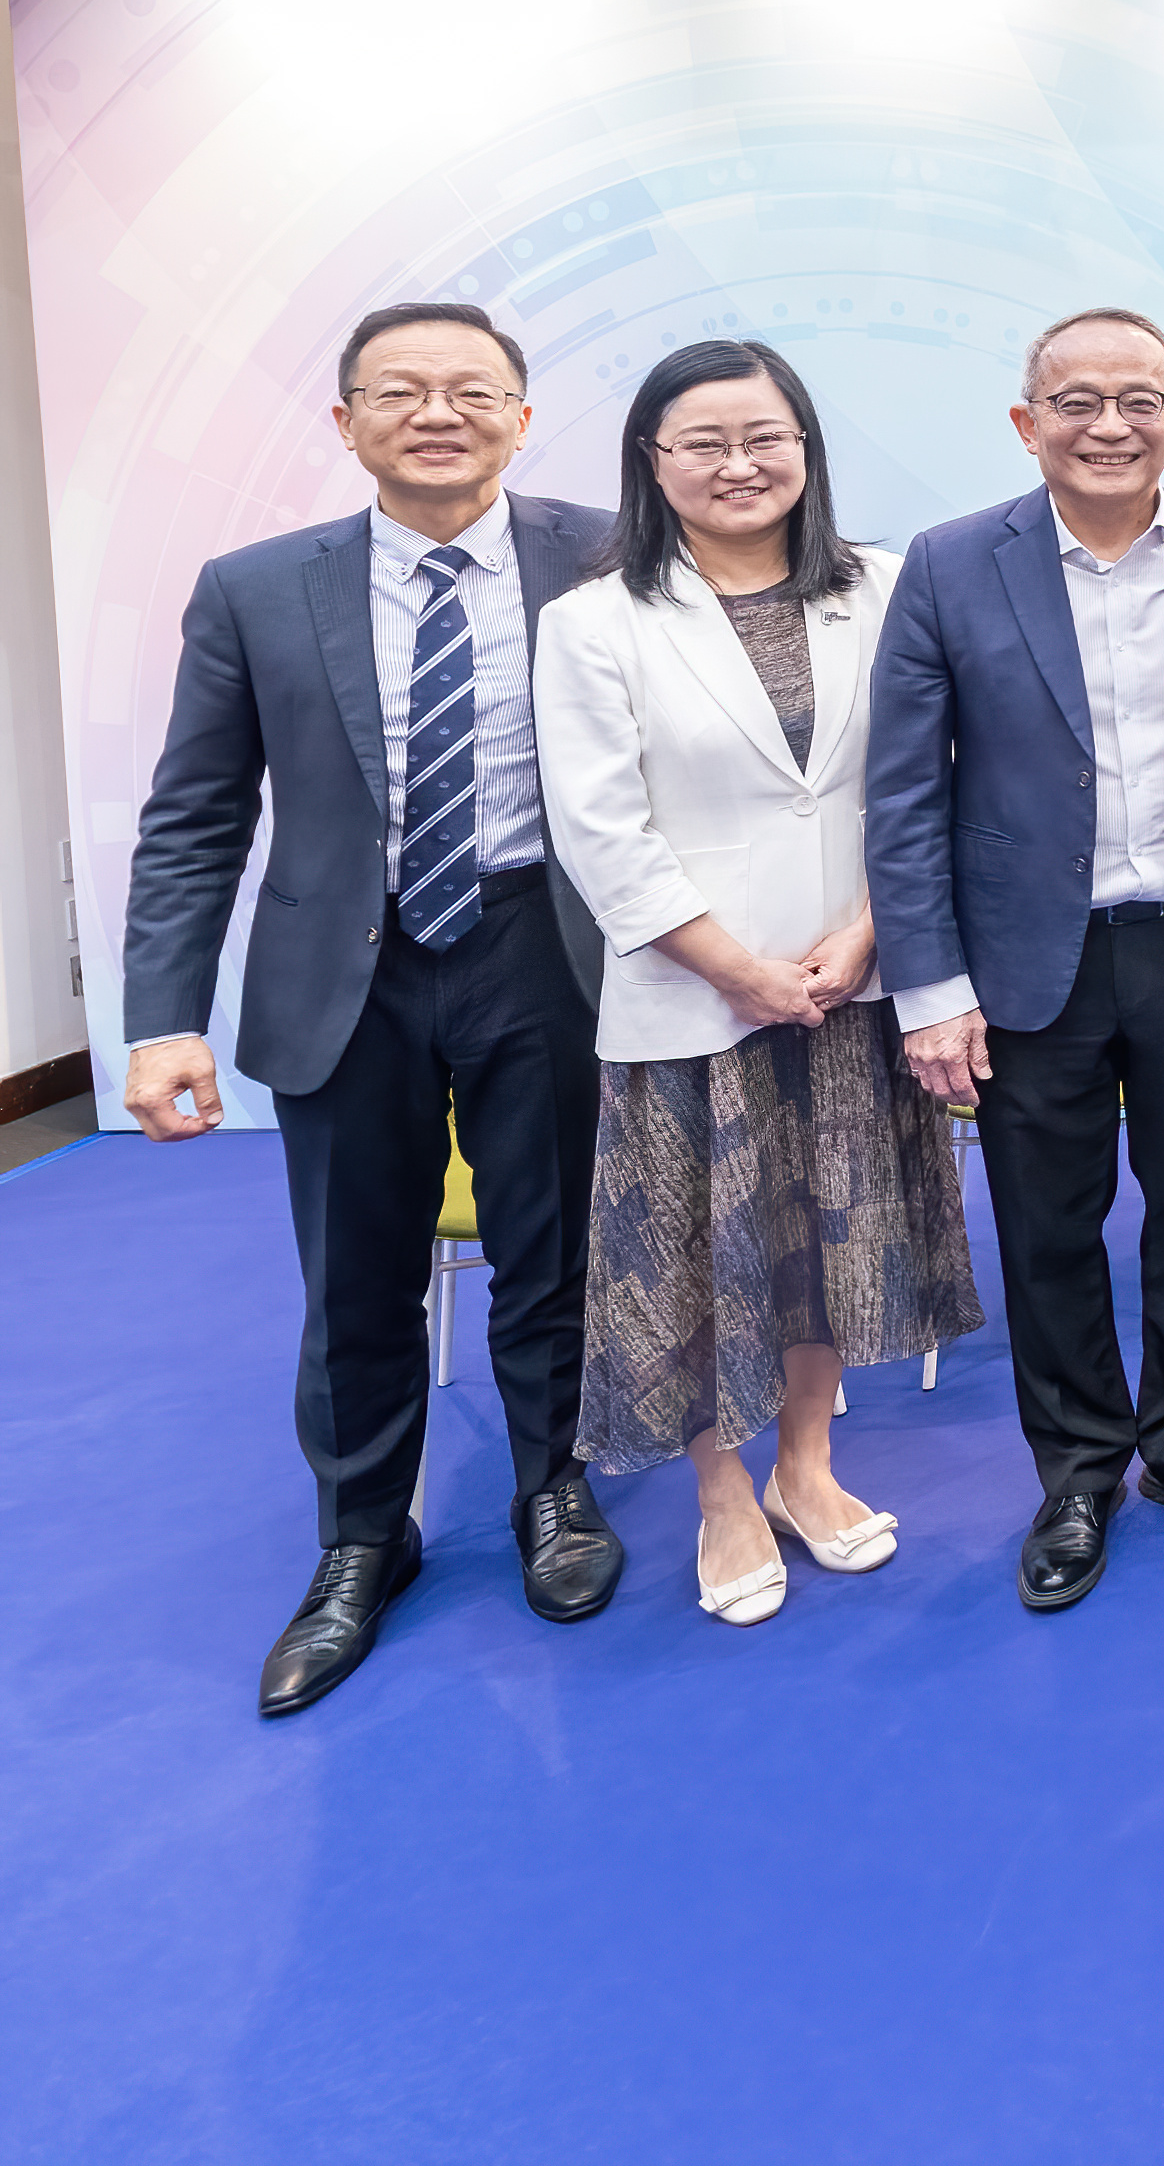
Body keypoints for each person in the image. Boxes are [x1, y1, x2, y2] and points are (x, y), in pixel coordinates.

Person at [122, 301, 630, 1713]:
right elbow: (194, 816)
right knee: (358, 1278)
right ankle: (362, 1538)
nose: (438, 412)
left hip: (547, 951)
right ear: (346, 423)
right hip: (348, 968)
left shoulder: (606, 554)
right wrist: (162, 1017)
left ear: (523, 418)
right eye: (398, 390)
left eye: (474, 390)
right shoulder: (256, 586)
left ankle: (554, 1492)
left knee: (552, 1253)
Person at [538, 340, 980, 1625]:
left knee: (825, 1242)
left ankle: (806, 1466)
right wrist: (738, 967)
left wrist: (866, 937)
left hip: (853, 979)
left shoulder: (889, 588)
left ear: (806, 448)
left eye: (766, 437)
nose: (739, 465)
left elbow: (932, 780)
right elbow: (601, 829)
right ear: (651, 462)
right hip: (694, 1001)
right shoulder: (595, 619)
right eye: (704, 442)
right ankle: (721, 1494)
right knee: (699, 1257)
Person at [868, 310, 1164, 1613]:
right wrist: (930, 989)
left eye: (1140, 400)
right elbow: (899, 797)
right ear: (1025, 421)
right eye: (1078, 402)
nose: (1110, 425)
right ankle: (1078, 1471)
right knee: (1048, 1228)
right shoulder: (947, 566)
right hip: (1024, 963)